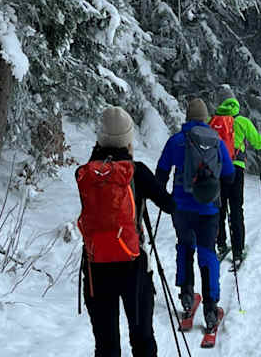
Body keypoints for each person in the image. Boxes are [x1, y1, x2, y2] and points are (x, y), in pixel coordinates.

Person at [78, 107, 175, 357]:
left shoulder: (86, 174)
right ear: (128, 139)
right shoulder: (137, 172)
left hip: (95, 265)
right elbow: (170, 205)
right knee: (142, 339)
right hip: (133, 264)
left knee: (106, 344)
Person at [156, 98, 234, 335]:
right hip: (208, 210)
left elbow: (161, 173)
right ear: (205, 117)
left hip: (181, 208)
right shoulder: (216, 142)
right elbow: (229, 175)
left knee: (185, 248)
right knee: (207, 254)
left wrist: (165, 198)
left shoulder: (176, 141)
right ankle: (211, 308)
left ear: (188, 117)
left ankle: (187, 296)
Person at [207, 97, 261, 265]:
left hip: (217, 169)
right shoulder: (242, 121)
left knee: (219, 207)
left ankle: (220, 244)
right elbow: (259, 143)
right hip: (235, 169)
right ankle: (238, 250)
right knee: (236, 208)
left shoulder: (213, 121)